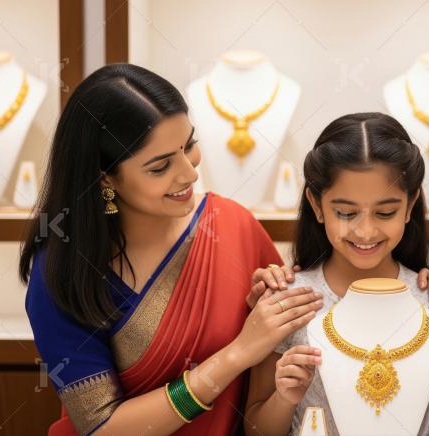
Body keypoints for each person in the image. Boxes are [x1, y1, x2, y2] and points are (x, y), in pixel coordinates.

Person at [20, 63, 322, 435]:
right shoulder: (63, 270)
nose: (189, 173)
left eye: (189, 145)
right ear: (105, 178)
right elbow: (102, 427)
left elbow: (293, 345)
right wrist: (237, 354)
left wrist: (410, 278)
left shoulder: (232, 225)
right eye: (161, 166)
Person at [244, 113, 429, 435]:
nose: (366, 231)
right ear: (316, 205)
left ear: (410, 205)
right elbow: (255, 429)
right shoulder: (287, 303)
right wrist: (285, 399)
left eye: (386, 212)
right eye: (345, 213)